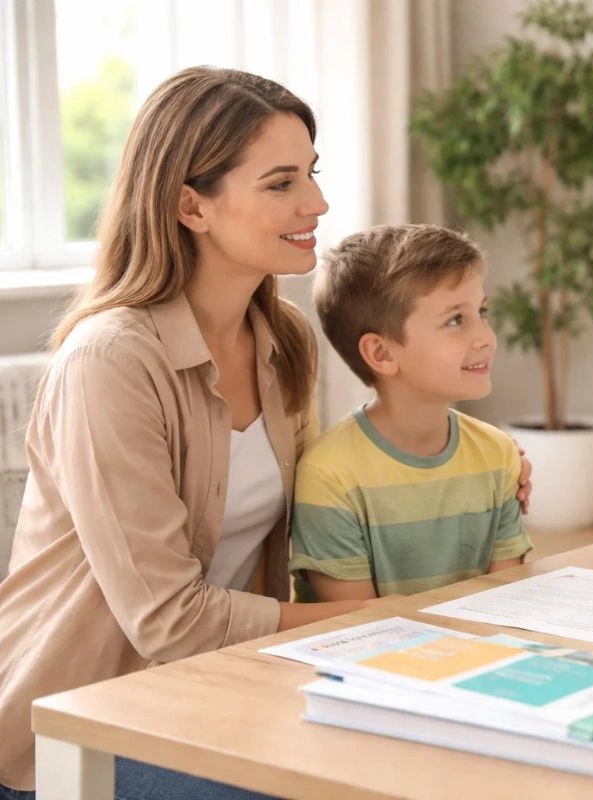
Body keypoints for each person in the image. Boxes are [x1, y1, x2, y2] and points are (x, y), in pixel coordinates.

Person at [0, 68, 530, 799]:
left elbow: (330, 492)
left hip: (221, 692)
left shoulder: (282, 340)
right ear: (192, 206)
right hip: (82, 729)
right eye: (281, 183)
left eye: (311, 174)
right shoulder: (110, 362)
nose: (317, 202)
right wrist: (389, 619)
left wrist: (476, 465)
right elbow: (167, 621)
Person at [288, 224, 532, 602]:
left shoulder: (498, 454)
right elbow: (354, 624)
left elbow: (507, 601)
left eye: (482, 312)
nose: (485, 336)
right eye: (455, 320)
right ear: (382, 354)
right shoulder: (330, 475)